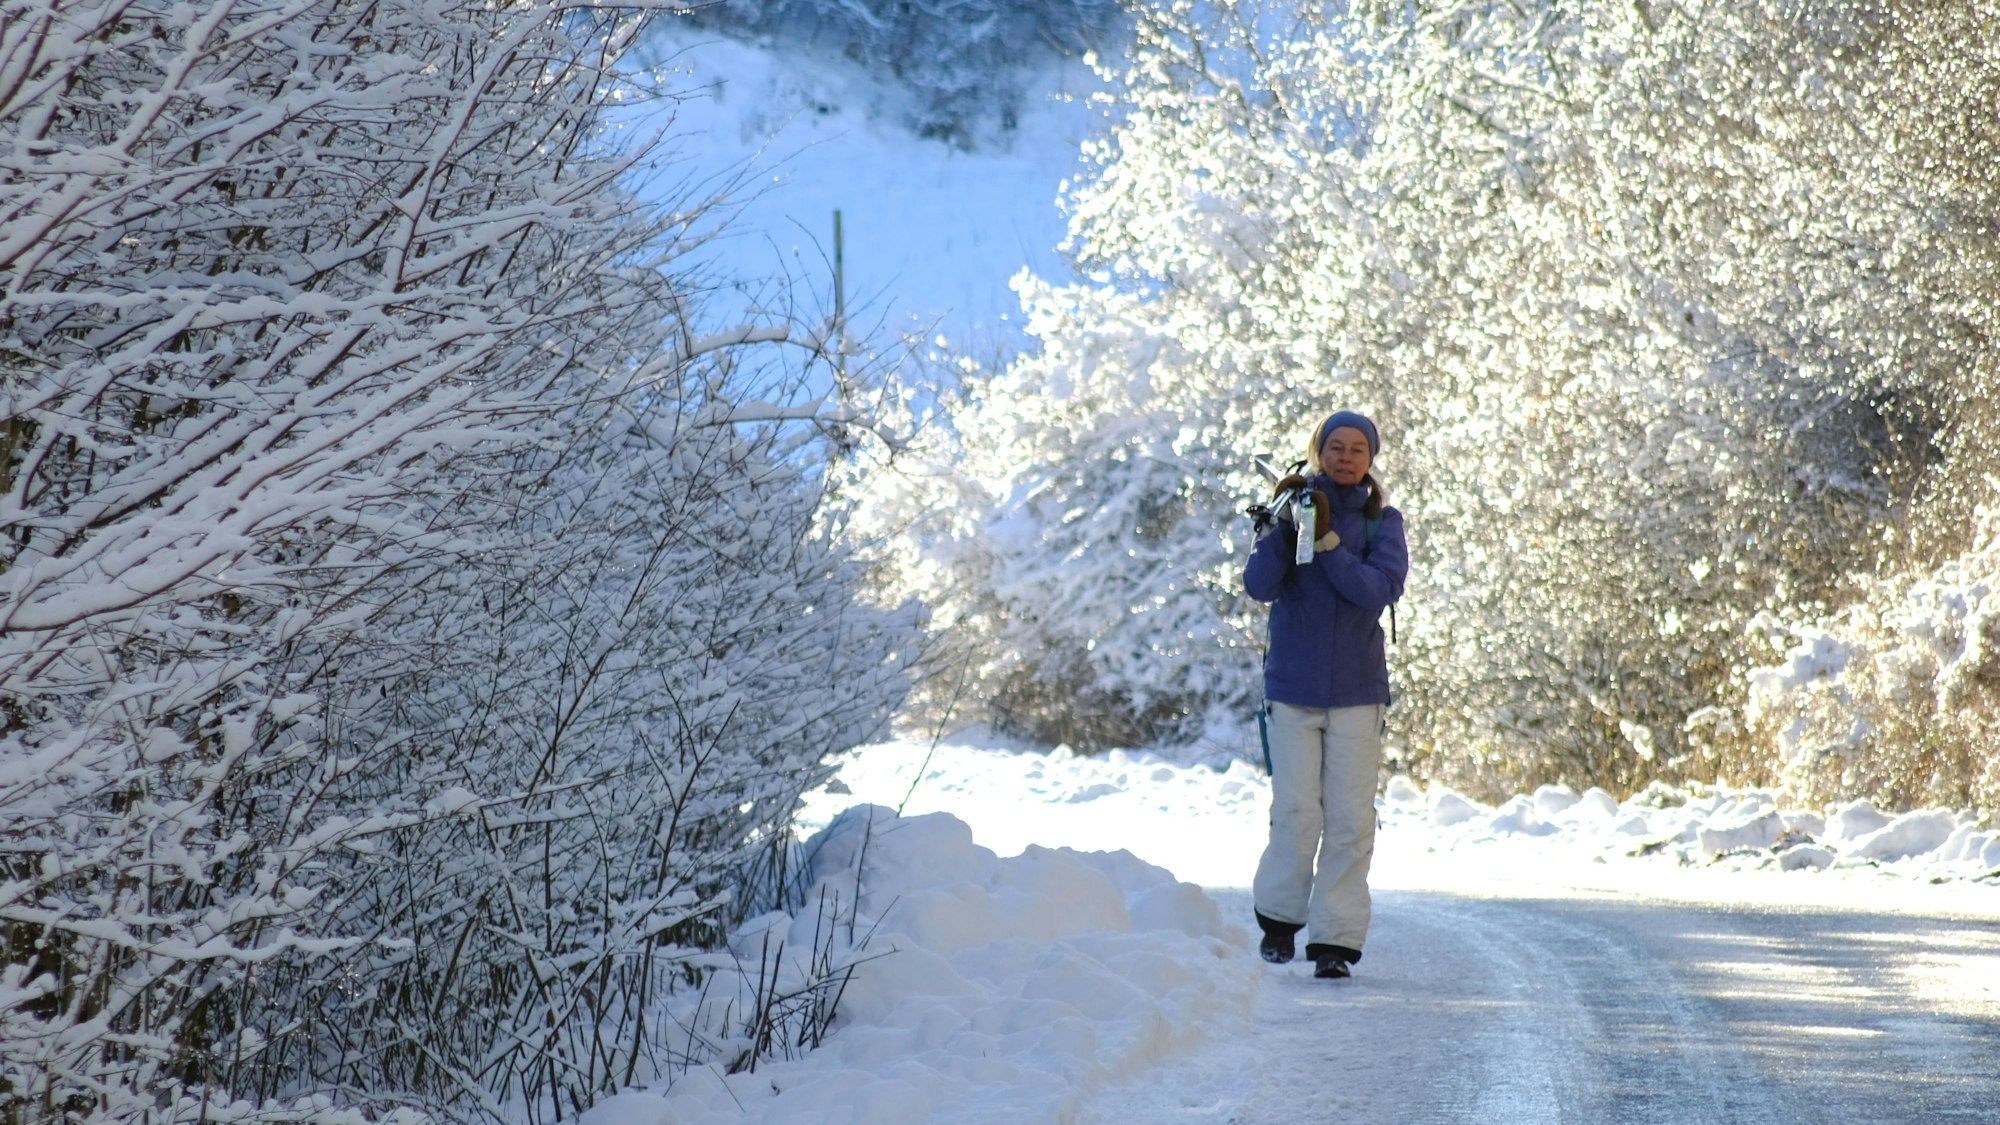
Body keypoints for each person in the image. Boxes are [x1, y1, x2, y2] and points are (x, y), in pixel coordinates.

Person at [1242, 409, 1408, 980]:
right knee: (1294, 811)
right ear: (1318, 452)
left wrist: (1330, 542)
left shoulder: (1383, 523)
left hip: (1359, 695)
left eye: (1356, 448)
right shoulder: (1292, 510)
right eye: (1334, 447)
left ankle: (1334, 941)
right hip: (1293, 690)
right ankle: (1279, 922)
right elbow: (1259, 587)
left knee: (1350, 819)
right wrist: (1286, 528)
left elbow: (1377, 590)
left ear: (1370, 458)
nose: (1345, 457)